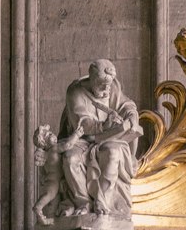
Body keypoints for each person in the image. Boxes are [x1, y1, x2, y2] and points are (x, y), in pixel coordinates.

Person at [56, 58, 142, 218]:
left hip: (109, 139)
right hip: (82, 139)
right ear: (92, 79)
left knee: (113, 154)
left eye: (109, 85)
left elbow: (126, 103)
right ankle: (83, 202)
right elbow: (81, 121)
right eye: (102, 85)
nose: (107, 89)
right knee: (70, 159)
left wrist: (131, 115)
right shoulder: (75, 92)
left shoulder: (113, 86)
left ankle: (103, 201)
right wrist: (103, 125)